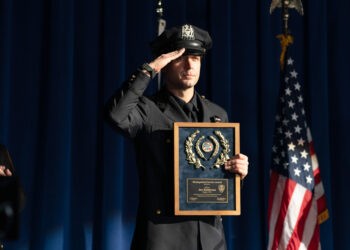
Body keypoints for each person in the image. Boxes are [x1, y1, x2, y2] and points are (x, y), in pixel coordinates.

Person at [104, 24, 249, 250]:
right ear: (166, 64)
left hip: (211, 241)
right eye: (180, 57)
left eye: (196, 57)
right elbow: (115, 115)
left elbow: (215, 181)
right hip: (163, 239)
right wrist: (148, 70)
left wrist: (237, 172)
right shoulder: (147, 110)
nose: (190, 65)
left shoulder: (217, 114)